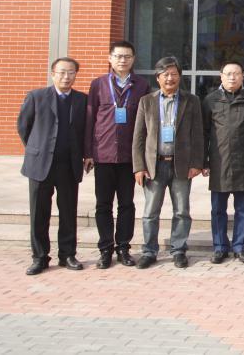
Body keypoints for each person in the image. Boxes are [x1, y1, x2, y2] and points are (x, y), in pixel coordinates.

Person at [17, 57, 88, 275]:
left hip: (68, 165)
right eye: (62, 72)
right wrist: (37, 149)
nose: (66, 77)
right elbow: (23, 126)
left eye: (71, 72)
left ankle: (67, 255)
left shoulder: (82, 100)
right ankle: (40, 257)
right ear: (53, 74)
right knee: (39, 213)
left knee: (68, 212)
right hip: (40, 165)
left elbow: (86, 131)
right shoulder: (36, 96)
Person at [132, 56, 204, 269]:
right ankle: (149, 251)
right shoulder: (147, 101)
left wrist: (196, 163)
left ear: (180, 77)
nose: (170, 78)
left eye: (174, 74)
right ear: (158, 78)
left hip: (181, 165)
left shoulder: (191, 101)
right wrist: (139, 166)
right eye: (165, 74)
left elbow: (198, 134)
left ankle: (178, 250)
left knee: (181, 211)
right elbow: (139, 136)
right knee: (150, 213)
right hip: (154, 166)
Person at [83, 40, 150, 269]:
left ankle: (123, 247)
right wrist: (88, 152)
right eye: (118, 56)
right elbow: (90, 119)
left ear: (133, 59)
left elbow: (146, 124)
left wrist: (143, 157)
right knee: (103, 205)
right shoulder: (98, 84)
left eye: (127, 56)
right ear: (110, 58)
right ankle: (105, 249)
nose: (123, 60)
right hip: (103, 154)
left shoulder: (141, 85)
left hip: (129, 156)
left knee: (126, 204)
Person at [202, 61, 244, 264]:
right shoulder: (211, 100)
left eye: (236, 73)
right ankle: (219, 247)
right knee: (218, 209)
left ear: (243, 76)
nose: (232, 77)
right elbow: (204, 132)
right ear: (221, 76)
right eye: (228, 74)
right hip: (220, 162)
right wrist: (204, 161)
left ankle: (240, 246)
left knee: (243, 209)